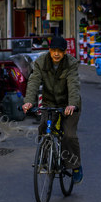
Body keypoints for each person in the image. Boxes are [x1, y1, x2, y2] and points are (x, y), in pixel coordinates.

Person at [22, 35, 83, 183]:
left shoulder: (71, 63)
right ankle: (44, 158)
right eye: (53, 50)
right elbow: (34, 81)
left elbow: (73, 85)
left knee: (69, 135)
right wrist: (29, 102)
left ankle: (75, 166)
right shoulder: (41, 62)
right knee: (43, 127)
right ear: (49, 50)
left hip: (69, 105)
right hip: (50, 103)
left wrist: (72, 104)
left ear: (64, 52)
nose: (56, 54)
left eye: (60, 51)